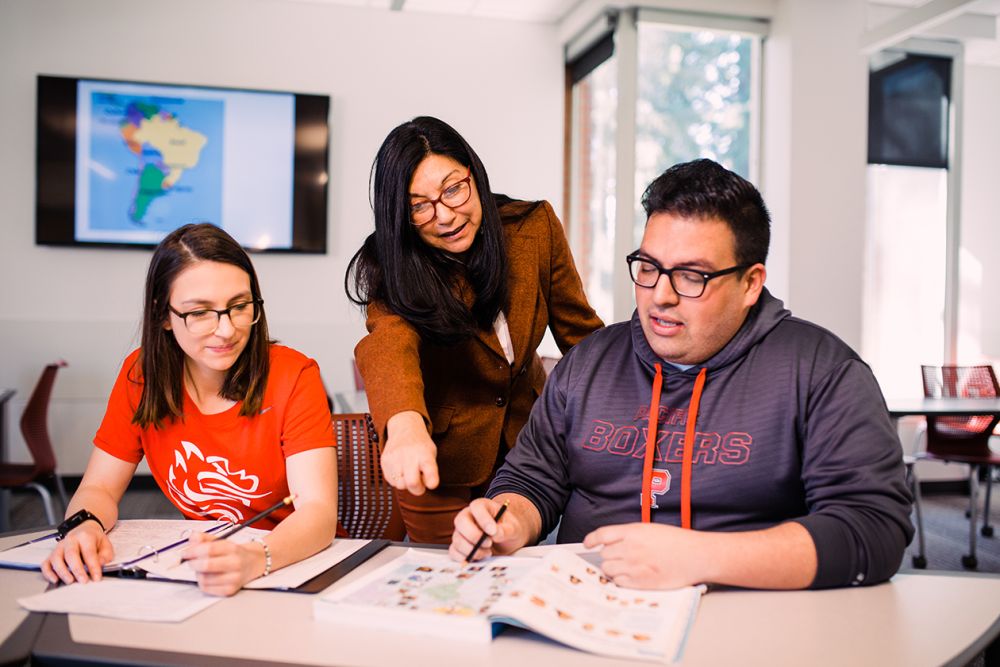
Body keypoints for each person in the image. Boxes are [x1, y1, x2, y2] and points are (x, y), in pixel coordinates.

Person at [450, 159, 913, 590]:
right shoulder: (588, 363)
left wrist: (701, 558)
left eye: (692, 276)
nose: (661, 296)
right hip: (586, 614)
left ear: (751, 283)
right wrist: (506, 522)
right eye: (649, 268)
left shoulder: (821, 371)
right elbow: (532, 482)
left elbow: (872, 529)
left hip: (748, 622)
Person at [42, 223, 340, 596]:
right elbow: (99, 486)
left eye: (239, 306)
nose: (227, 330)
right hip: (208, 571)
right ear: (163, 315)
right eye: (200, 313)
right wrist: (83, 526)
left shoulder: (293, 374)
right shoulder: (142, 376)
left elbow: (317, 511)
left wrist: (254, 558)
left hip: (292, 567)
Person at [346, 116, 603, 543]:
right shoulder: (392, 264)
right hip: (442, 464)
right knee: (446, 585)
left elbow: (581, 333)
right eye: (419, 206)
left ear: (473, 173)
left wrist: (631, 399)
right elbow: (388, 342)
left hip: (530, 445)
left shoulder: (533, 228)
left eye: (452, 189)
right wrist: (405, 426)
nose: (445, 215)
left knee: (522, 575)